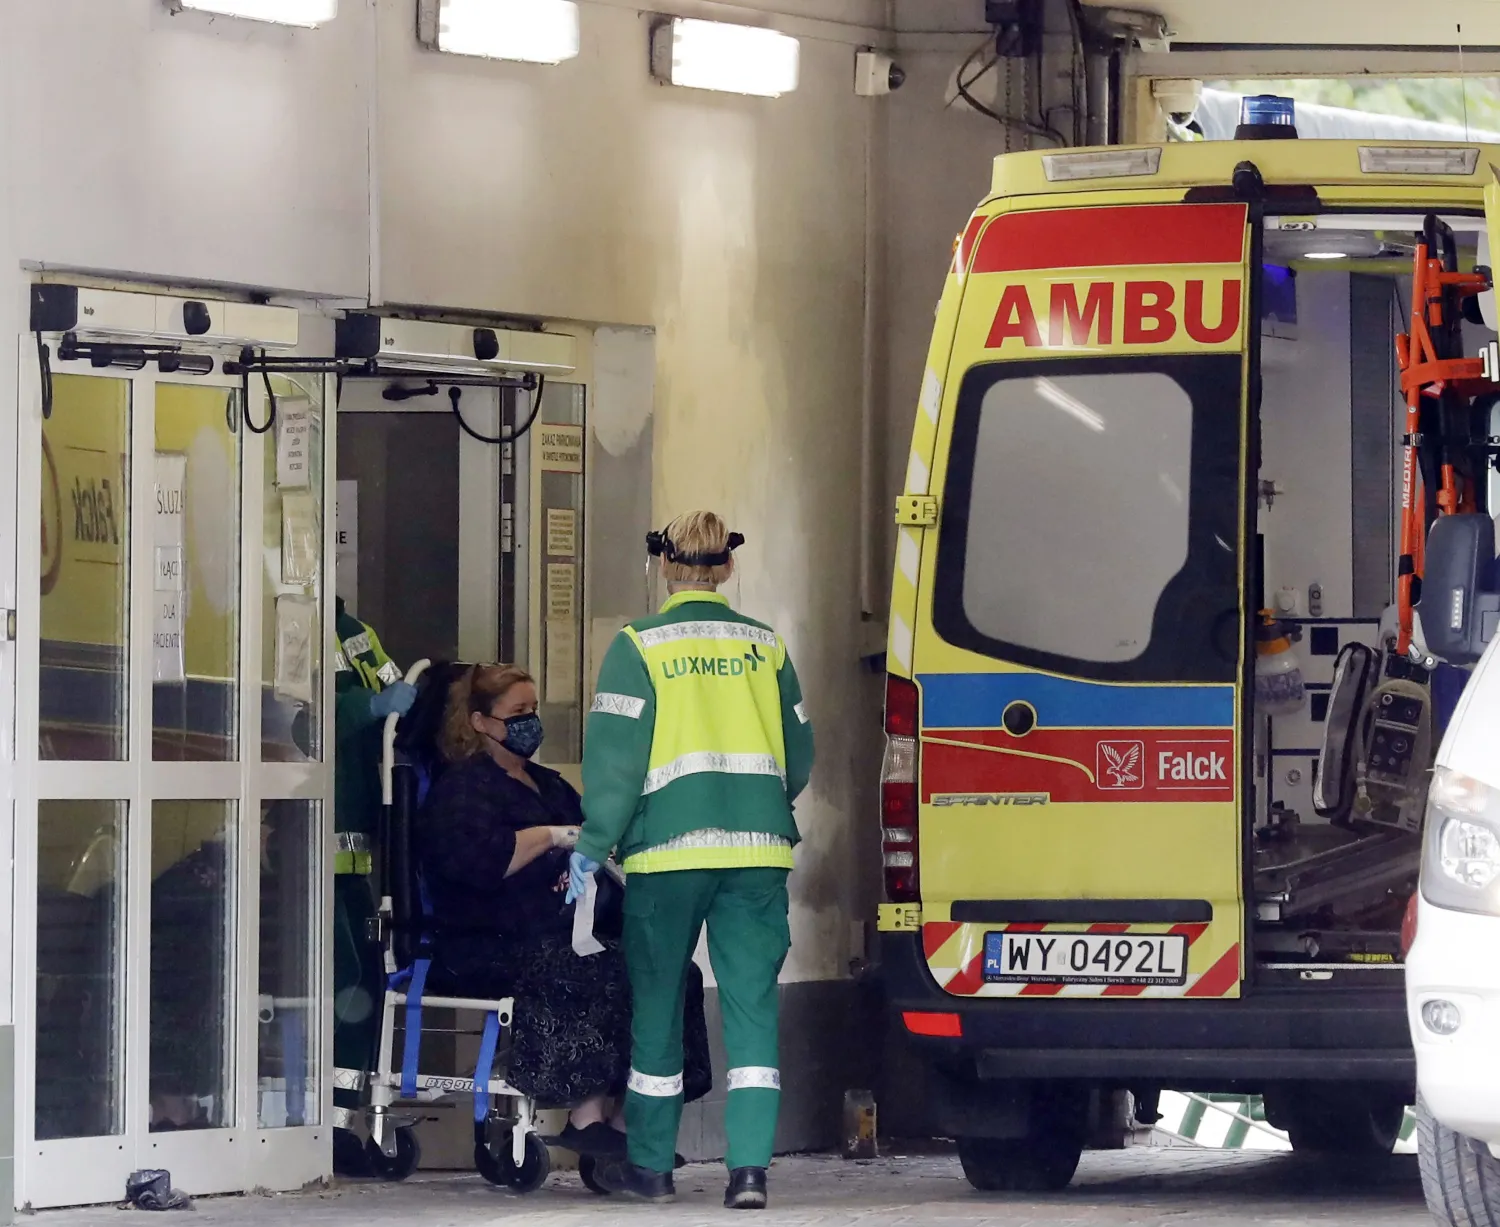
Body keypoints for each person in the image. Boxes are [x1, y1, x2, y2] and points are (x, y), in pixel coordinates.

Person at [569, 510, 815, 1210]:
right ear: (727, 568)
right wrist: (762, 803)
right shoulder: (765, 647)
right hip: (758, 853)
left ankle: (650, 1167)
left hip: (667, 855)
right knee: (752, 1009)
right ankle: (749, 1173)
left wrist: (591, 847)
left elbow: (616, 765)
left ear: (663, 565)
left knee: (656, 1009)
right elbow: (800, 756)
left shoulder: (638, 646)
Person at [418, 664, 711, 1155]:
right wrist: (553, 836)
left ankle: (632, 1118)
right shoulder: (463, 790)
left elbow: (597, 835)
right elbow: (482, 863)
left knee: (673, 972)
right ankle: (585, 1112)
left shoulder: (549, 786)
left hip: (569, 929)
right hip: (486, 940)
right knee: (585, 969)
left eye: (533, 710)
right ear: (481, 722)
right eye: (517, 712)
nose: (530, 721)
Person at [331, 598, 416, 1174]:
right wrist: (370, 705)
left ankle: (342, 1121)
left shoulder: (357, 634)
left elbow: (399, 703)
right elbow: (301, 717)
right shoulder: (278, 620)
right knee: (348, 984)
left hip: (355, 849)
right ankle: (330, 1127)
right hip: (304, 848)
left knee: (365, 983)